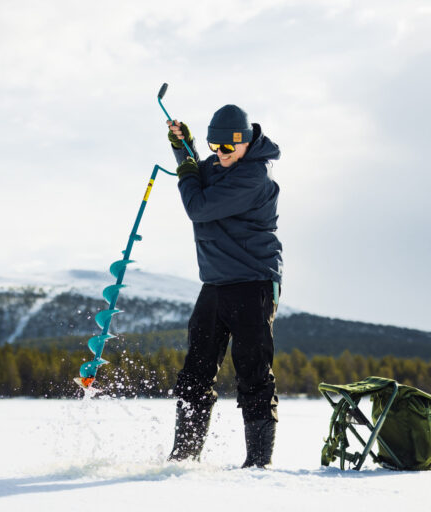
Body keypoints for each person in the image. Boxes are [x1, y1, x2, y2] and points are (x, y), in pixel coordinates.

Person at [165, 104, 282, 468]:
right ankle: (184, 457)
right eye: (215, 148)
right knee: (195, 372)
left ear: (245, 143)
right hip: (215, 284)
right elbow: (196, 172)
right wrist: (183, 146)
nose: (220, 154)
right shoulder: (219, 165)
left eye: (227, 148)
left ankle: (258, 464)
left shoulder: (254, 177)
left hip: (253, 282)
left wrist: (187, 168)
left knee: (252, 372)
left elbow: (197, 206)